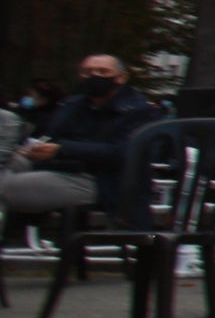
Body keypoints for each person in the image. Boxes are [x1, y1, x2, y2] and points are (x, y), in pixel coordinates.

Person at [1, 53, 166, 226]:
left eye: (103, 71)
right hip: (60, 165)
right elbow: (51, 134)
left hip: (103, 180)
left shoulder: (140, 112)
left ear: (121, 78)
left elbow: (123, 153)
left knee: (6, 188)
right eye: (88, 72)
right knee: (10, 161)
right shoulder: (72, 105)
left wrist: (61, 149)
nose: (95, 76)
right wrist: (35, 148)